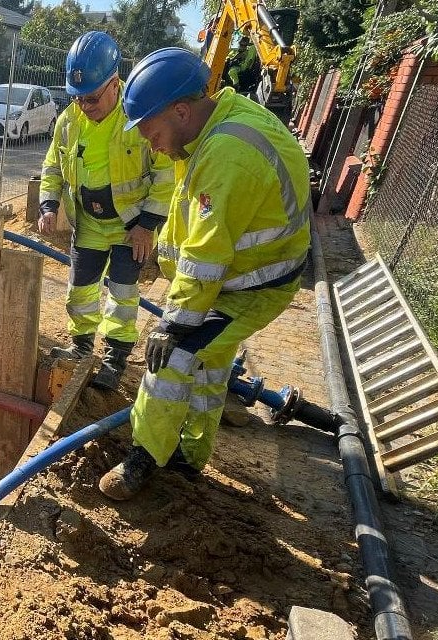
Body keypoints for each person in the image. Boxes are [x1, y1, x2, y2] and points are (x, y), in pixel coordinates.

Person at [98, 47, 311, 500]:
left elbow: (205, 255)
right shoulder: (211, 128)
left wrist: (173, 323)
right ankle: (189, 455)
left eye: (152, 132)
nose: (151, 144)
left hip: (251, 286)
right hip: (234, 279)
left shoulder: (228, 153)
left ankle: (143, 457)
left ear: (180, 111)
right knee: (211, 368)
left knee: (172, 357)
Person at [38, 31, 174, 391]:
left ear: (115, 83)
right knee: (81, 289)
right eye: (78, 97)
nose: (84, 105)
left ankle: (115, 359)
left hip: (131, 226)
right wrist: (48, 204)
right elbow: (52, 166)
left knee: (123, 294)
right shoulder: (69, 121)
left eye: (92, 97)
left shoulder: (139, 115)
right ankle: (81, 347)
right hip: (88, 223)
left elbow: (165, 174)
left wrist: (147, 224)